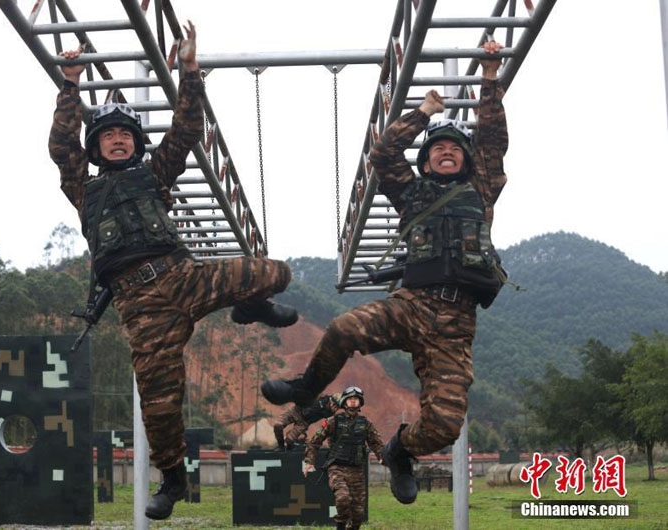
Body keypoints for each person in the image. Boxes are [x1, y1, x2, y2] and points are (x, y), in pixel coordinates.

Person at [49, 21, 297, 520]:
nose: (117, 141)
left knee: (274, 272)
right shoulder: (83, 189)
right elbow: (61, 147)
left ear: (135, 143)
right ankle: (173, 478)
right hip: (141, 305)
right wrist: (70, 85)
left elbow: (185, 131)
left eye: (124, 134)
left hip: (183, 277)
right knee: (159, 402)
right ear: (96, 147)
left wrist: (189, 71)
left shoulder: (153, 175)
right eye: (107, 136)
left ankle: (250, 309)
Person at [262, 40, 508, 505]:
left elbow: (493, 140)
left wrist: (489, 77)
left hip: (455, 326)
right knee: (343, 327)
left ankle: (400, 452)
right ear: (427, 159)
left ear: (467, 160)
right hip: (411, 306)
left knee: (444, 426)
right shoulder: (413, 195)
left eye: (455, 148)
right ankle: (304, 388)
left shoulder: (481, 192)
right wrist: (421, 115)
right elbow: (382, 155)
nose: (446, 153)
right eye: (438, 149)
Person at [303, 387, 383, 530]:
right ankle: (340, 526)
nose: (353, 402)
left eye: (356, 399)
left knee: (358, 514)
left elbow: (376, 443)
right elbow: (314, 441)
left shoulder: (366, 423)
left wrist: (382, 457)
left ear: (360, 402)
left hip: (357, 470)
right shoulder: (333, 421)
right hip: (337, 468)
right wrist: (309, 462)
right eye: (350, 399)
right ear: (344, 403)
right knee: (343, 498)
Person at [273, 393, 340, 451]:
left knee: (289, 440)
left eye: (337, 407)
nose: (335, 408)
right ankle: (281, 446)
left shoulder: (330, 412)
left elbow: (324, 425)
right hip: (295, 411)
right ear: (331, 401)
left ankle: (290, 448)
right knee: (278, 425)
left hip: (304, 422)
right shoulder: (320, 399)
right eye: (335, 405)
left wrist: (317, 434)